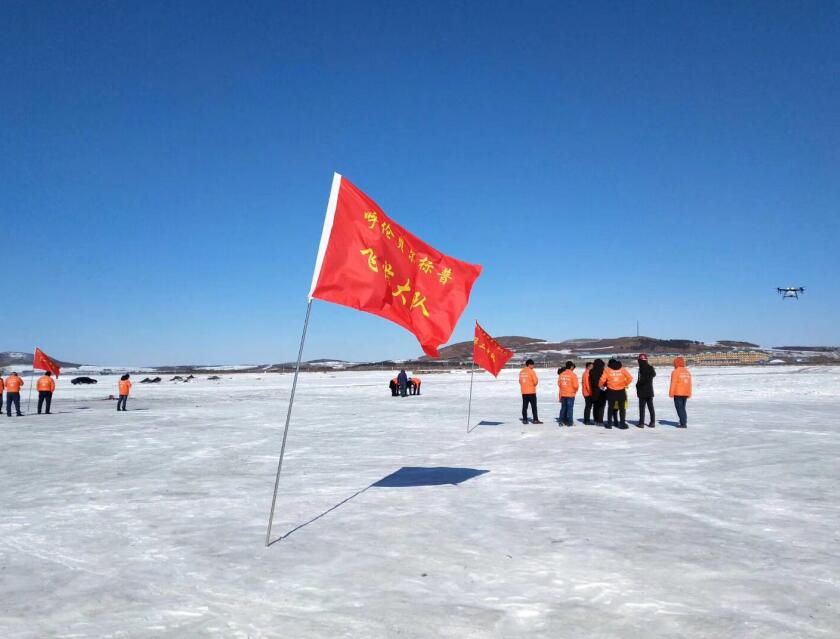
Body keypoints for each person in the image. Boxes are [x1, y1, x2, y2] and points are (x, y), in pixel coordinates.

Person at [599, 359, 633, 429]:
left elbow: (602, 380)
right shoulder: (622, 369)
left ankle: (609, 424)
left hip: (611, 391)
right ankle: (622, 424)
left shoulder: (607, 370)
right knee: (622, 409)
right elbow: (630, 378)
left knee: (610, 408)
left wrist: (601, 386)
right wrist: (625, 384)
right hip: (621, 391)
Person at [669, 357, 692, 428]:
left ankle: (683, 423)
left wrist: (671, 393)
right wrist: (689, 393)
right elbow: (689, 383)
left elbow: (673, 383)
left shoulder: (675, 372)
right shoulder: (687, 371)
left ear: (676, 363)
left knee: (679, 408)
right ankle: (683, 421)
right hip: (685, 392)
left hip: (678, 393)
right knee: (682, 408)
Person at [636, 353, 656, 428]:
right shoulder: (650, 367)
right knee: (651, 407)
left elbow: (641, 379)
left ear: (640, 360)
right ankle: (652, 422)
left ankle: (641, 423)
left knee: (642, 407)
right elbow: (653, 374)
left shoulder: (641, 368)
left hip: (642, 391)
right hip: (650, 390)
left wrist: (637, 385)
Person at [519, 359, 542, 424]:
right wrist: (533, 384)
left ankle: (525, 419)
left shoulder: (521, 371)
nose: (533, 366)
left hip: (524, 392)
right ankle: (535, 419)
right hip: (531, 392)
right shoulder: (531, 371)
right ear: (529, 364)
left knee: (524, 406)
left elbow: (520, 381)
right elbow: (535, 381)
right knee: (534, 406)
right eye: (532, 364)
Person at [557, 361, 579, 427]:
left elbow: (559, 384)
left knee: (563, 408)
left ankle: (561, 421)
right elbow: (576, 386)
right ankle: (570, 422)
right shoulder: (573, 375)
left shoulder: (561, 374)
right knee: (570, 409)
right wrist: (574, 391)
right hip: (570, 394)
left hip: (563, 394)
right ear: (571, 366)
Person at [589, 359, 607, 425]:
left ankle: (595, 419)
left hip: (594, 390)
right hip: (602, 390)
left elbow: (590, 381)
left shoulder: (591, 371)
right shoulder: (603, 371)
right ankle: (600, 420)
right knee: (601, 406)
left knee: (595, 406)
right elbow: (605, 381)